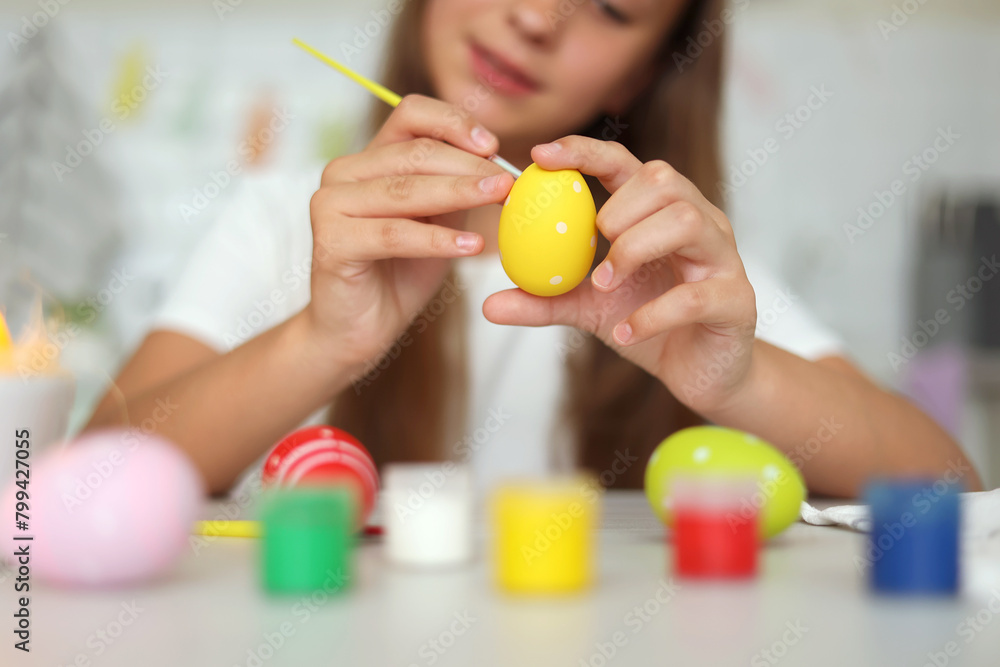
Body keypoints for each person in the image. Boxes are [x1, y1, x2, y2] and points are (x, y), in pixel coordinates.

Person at [84, 0, 982, 497]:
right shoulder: (286, 221)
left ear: (641, 73)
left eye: (611, 8)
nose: (538, 16)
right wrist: (322, 341)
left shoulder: (660, 271)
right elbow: (77, 490)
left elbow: (948, 486)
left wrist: (738, 380)